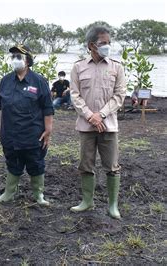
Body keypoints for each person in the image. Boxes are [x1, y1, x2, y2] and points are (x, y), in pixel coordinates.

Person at [69, 26, 126, 219]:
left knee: (112, 165)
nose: (107, 46)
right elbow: (75, 96)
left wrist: (100, 115)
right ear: (91, 45)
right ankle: (87, 201)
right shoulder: (78, 67)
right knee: (86, 164)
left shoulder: (116, 67)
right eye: (103, 43)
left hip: (108, 126)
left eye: (109, 43)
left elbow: (119, 96)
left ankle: (112, 205)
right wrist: (89, 116)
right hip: (86, 126)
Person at [0, 44, 54, 206]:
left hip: (33, 134)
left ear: (27, 60)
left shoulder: (39, 81)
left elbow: (47, 108)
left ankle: (38, 194)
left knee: (36, 163)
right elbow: (1, 108)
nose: (15, 60)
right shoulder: (4, 81)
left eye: (19, 57)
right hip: (10, 134)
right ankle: (9, 193)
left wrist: (48, 130)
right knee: (12, 162)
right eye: (13, 57)